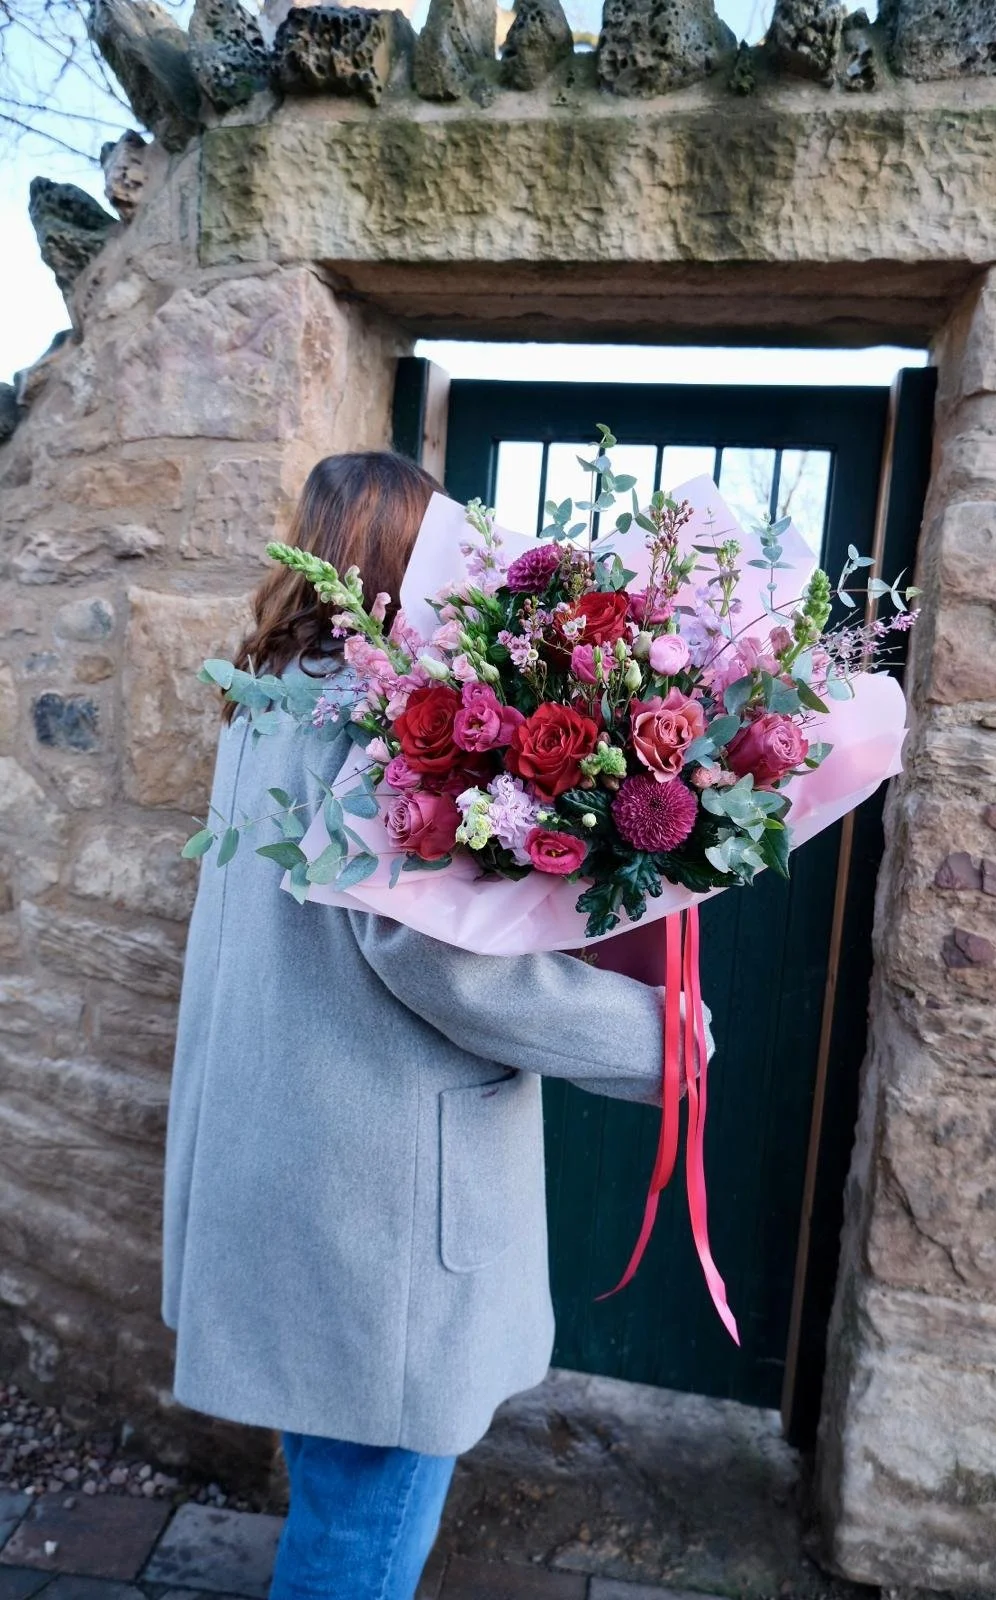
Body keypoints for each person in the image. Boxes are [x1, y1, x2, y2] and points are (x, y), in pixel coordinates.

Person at [162, 451, 691, 1600]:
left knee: (339, 1478)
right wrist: (659, 1036)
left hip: (287, 1164)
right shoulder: (379, 725)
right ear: (408, 554)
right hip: (378, 1199)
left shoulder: (262, 704)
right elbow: (438, 960)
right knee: (370, 1512)